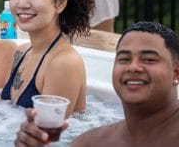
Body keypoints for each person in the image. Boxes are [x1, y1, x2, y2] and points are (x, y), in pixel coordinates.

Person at [15, 21, 179, 147]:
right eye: (124, 59)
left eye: (149, 59)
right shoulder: (90, 143)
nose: (133, 67)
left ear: (176, 73)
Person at [1, 0, 95, 116]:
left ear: (60, 2)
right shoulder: (21, 52)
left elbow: (48, 136)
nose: (22, 3)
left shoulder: (64, 63)